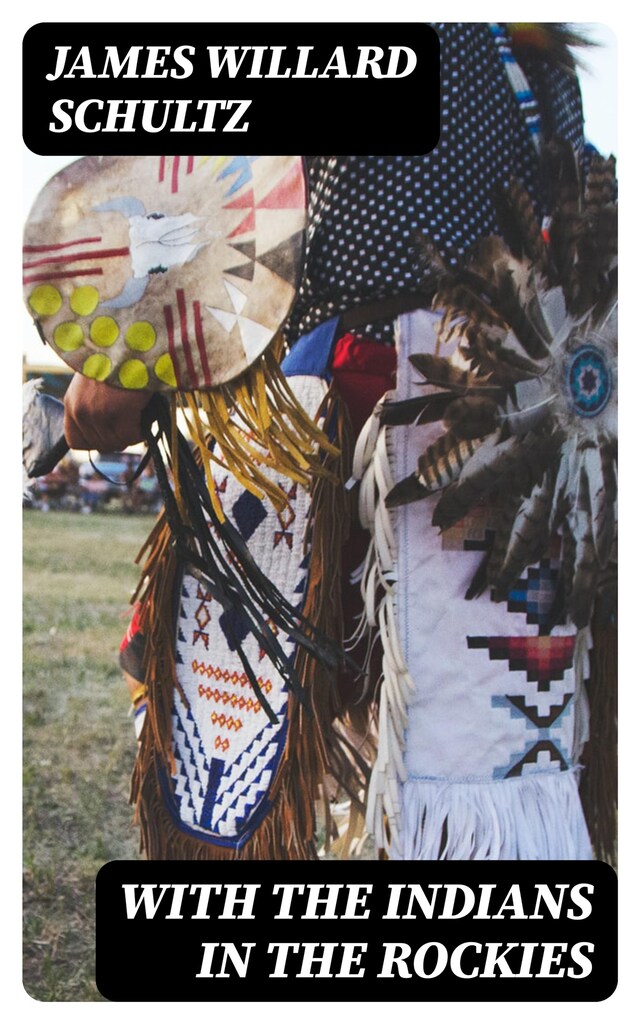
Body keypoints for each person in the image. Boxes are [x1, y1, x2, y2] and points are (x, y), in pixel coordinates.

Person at [62, 23, 615, 861]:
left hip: (387, 405)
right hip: (511, 422)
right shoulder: (526, 58)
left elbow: (244, 186)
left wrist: (135, 351)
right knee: (435, 743)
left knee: (241, 720)